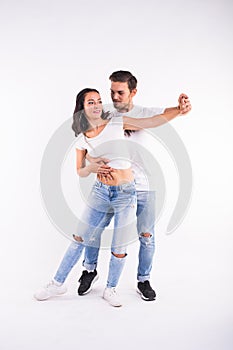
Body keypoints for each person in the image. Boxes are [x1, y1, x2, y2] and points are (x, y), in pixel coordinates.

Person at [34, 74, 191, 306]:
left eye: (118, 93)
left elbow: (155, 119)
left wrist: (178, 110)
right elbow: (81, 168)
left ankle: (129, 284)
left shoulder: (124, 119)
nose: (108, 100)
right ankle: (69, 278)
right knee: (84, 236)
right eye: (96, 99)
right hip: (102, 190)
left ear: (132, 92)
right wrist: (92, 167)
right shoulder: (92, 128)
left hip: (135, 189)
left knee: (136, 240)